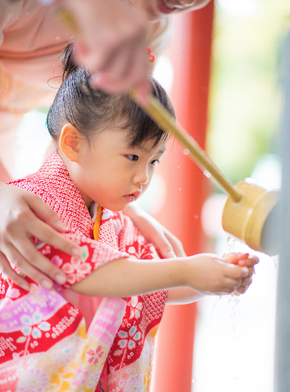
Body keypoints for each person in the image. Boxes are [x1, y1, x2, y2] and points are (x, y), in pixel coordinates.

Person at [0, 45, 258, 392]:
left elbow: (145, 284)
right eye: (132, 156)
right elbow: (90, 272)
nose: (143, 177)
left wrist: (213, 277)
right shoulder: (35, 202)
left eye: (154, 161)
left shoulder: (113, 221)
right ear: (72, 144)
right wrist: (189, 269)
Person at [0, 0, 209, 295]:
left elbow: (81, 132)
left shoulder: (153, 27)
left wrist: (106, 195)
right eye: (134, 158)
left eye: (153, 162)